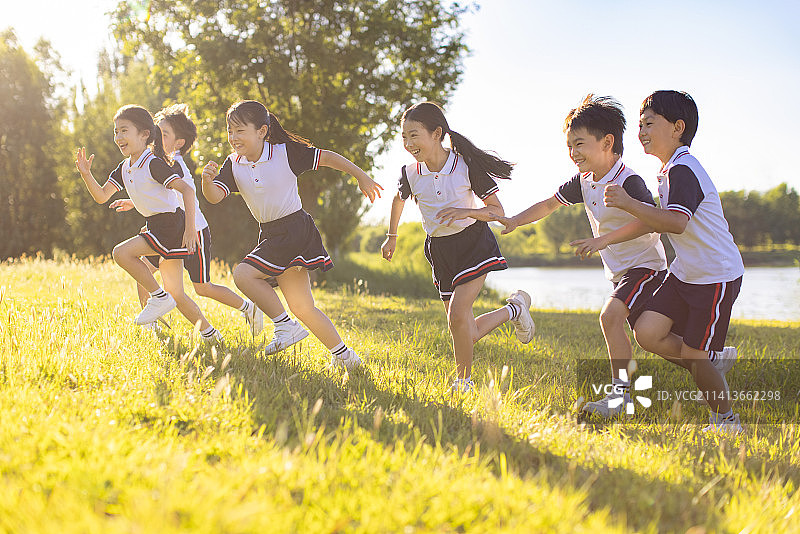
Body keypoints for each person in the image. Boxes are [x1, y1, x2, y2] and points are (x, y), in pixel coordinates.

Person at [496, 94, 669, 417]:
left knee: (610, 318)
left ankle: (621, 398)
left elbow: (650, 222)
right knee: (654, 337)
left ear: (607, 142)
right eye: (569, 147)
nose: (573, 154)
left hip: (646, 266)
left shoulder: (628, 180)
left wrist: (602, 241)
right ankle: (711, 359)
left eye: (579, 144)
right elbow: (549, 204)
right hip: (621, 272)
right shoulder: (584, 181)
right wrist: (516, 221)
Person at [201, 100, 382, 368]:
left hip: (294, 228)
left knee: (243, 274)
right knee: (302, 306)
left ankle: (284, 326)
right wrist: (206, 181)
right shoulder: (233, 164)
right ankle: (346, 357)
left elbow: (328, 157)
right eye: (229, 131)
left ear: (262, 131)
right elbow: (215, 197)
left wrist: (361, 176)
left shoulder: (285, 152)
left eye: (240, 130)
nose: (233, 137)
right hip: (271, 234)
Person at [603, 90, 744, 434]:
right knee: (648, 333)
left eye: (649, 123)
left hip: (715, 275)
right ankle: (711, 360)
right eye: (640, 125)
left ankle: (727, 420)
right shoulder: (669, 170)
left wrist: (627, 203)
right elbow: (661, 220)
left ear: (678, 127)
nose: (641, 131)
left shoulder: (684, 170)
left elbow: (676, 222)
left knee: (694, 357)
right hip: (685, 272)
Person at [380, 101, 535, 393]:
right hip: (439, 251)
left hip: (473, 244)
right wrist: (392, 235)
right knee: (464, 328)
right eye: (404, 137)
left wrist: (467, 212)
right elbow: (399, 199)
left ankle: (463, 382)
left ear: (437, 133)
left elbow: (496, 211)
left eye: (414, 135)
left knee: (457, 317)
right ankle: (514, 310)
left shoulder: (465, 165)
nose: (408, 143)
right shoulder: (410, 172)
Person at [109, 104, 264, 336]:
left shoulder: (173, 164)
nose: (155, 137)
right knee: (148, 278)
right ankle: (153, 325)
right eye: (156, 132)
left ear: (178, 143)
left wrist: (190, 230)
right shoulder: (155, 160)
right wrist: (136, 203)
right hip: (169, 231)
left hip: (193, 231)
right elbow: (159, 193)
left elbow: (181, 194)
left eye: (163, 135)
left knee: (202, 288)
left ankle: (247, 308)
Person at [74, 105, 222, 342]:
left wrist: (190, 229)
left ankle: (158, 297)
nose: (119, 137)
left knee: (121, 253)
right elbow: (102, 196)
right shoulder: (125, 168)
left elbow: (186, 190)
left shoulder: (153, 162)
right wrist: (86, 174)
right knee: (177, 293)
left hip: (169, 225)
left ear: (144, 134)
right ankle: (210, 334)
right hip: (157, 226)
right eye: (116, 132)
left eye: (124, 130)